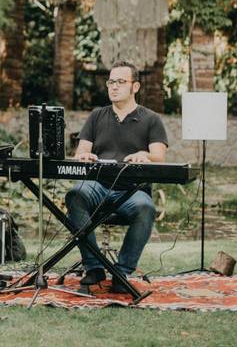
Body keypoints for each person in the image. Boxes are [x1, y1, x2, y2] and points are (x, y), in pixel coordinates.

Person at [64, 60, 168, 293]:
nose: (114, 87)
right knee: (75, 195)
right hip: (97, 186)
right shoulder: (97, 116)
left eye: (121, 82)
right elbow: (80, 151)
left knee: (146, 208)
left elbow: (159, 156)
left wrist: (145, 155)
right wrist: (84, 156)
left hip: (133, 191)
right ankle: (94, 267)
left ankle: (122, 273)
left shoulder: (151, 119)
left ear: (136, 87)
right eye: (111, 82)